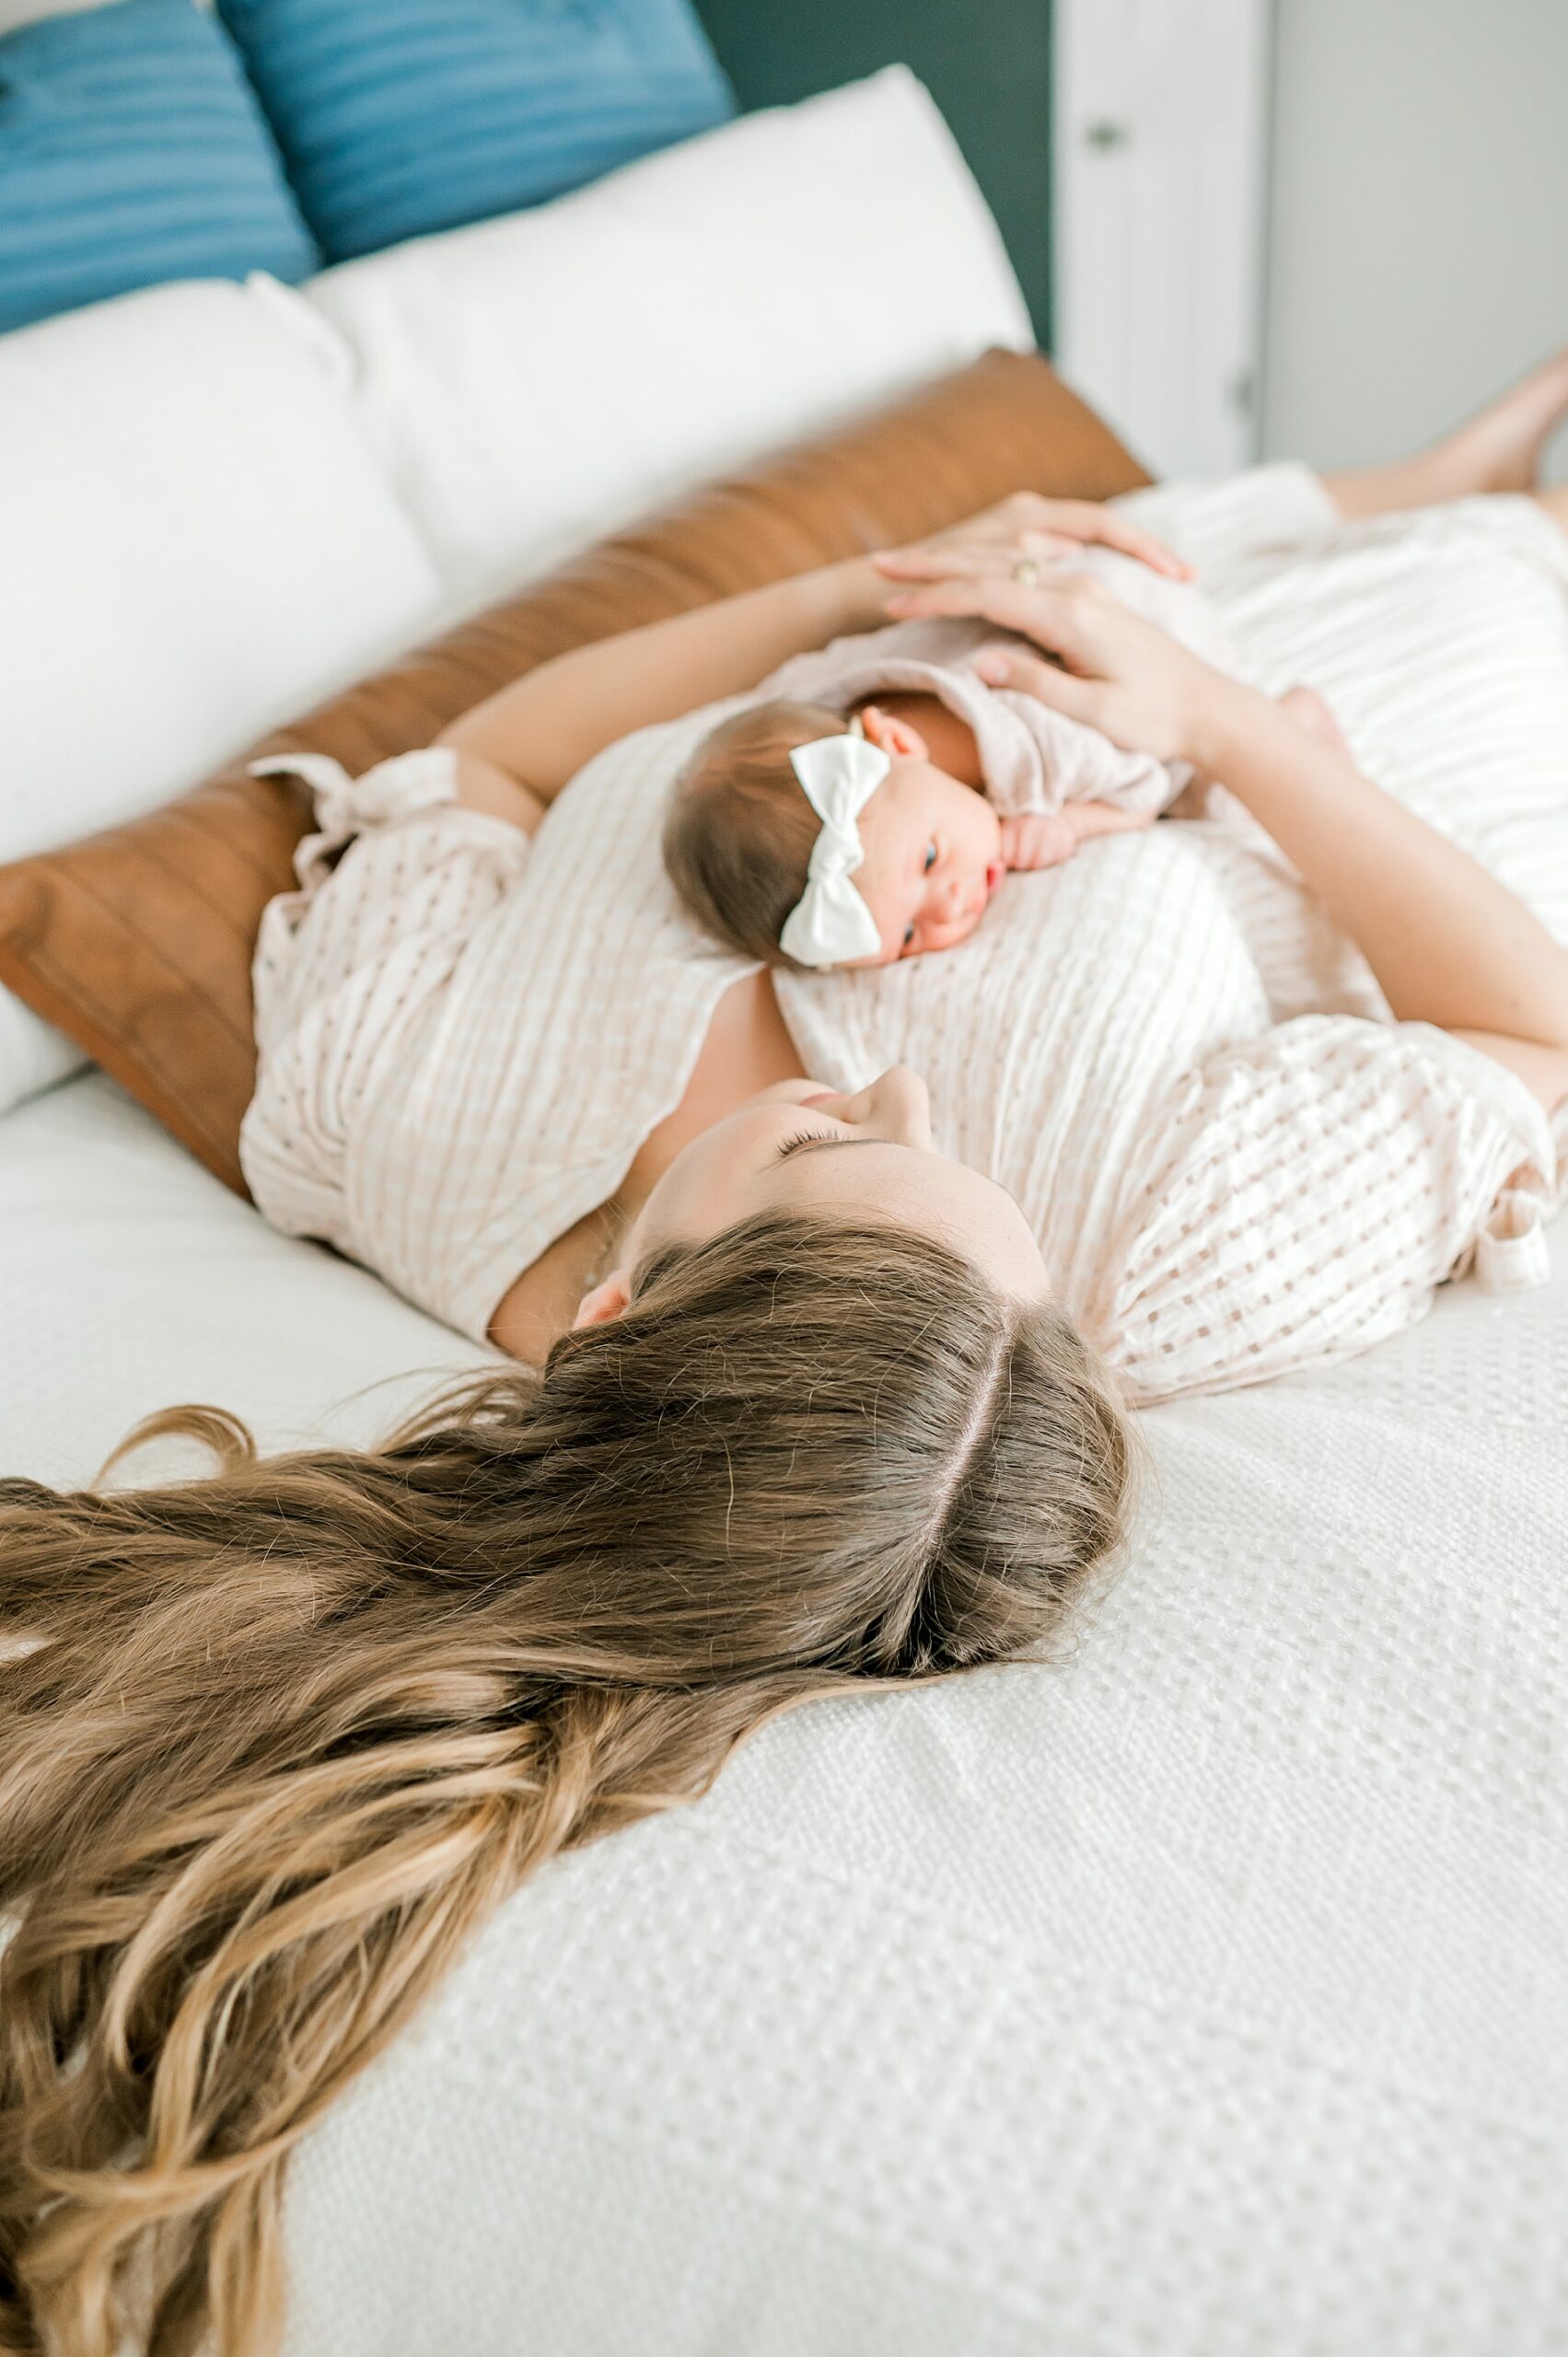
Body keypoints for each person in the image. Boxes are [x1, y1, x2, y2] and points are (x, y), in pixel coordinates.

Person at [5, 364, 1568, 2357]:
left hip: (1084, 630)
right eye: (914, 1150)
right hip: (1348, 715)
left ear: (615, 1317)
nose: (898, 1074)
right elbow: (1521, 1037)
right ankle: (1451, 490)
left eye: (839, 1146)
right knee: (1487, 531)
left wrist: (861, 604)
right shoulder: (1134, 1276)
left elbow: (488, 756)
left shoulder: (393, 1116)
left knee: (1412, 491)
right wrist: (1211, 726)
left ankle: (1428, 476)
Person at [659, 549, 1342, 970]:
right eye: (905, 933)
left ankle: (1291, 721)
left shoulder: (1040, 751)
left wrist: (1074, 823)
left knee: (1203, 799)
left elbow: (1144, 783)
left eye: (926, 861)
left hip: (1144, 622)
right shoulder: (823, 703)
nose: (949, 904)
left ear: (895, 742)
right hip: (1037, 588)